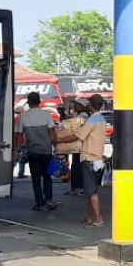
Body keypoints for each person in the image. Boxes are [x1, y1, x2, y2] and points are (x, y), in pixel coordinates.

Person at [55, 94, 107, 226]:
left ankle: (99, 218)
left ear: (90, 105)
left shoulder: (91, 120)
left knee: (91, 191)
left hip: (89, 158)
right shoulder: (101, 119)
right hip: (98, 158)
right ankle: (89, 217)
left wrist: (60, 140)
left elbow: (78, 136)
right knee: (91, 190)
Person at [15, 91, 57, 211]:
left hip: (33, 152)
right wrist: (54, 147)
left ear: (28, 103)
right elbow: (52, 133)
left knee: (36, 179)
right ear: (39, 102)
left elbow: (18, 135)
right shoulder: (46, 115)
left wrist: (17, 151)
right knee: (48, 176)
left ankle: (40, 203)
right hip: (47, 151)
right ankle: (49, 200)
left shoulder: (23, 116)